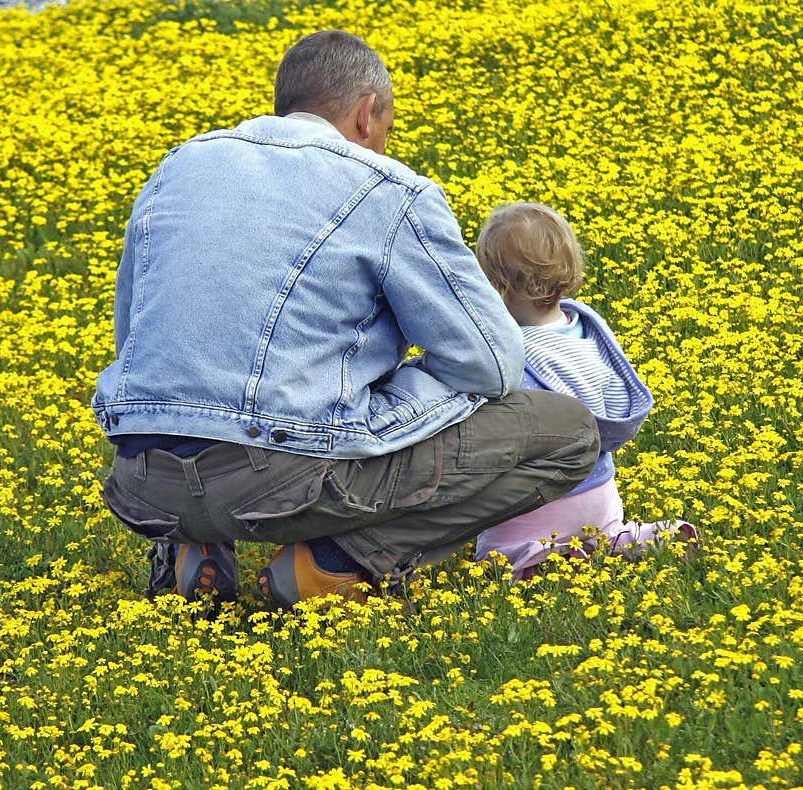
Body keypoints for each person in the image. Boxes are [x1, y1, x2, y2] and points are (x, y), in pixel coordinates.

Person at [91, 30, 601, 615]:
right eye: (386, 129)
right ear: (366, 116)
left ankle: (190, 543)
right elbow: (491, 361)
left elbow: (131, 333)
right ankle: (335, 562)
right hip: (280, 482)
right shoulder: (386, 190)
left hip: (142, 482)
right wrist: (395, 390)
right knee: (567, 432)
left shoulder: (178, 167)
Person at [472, 201, 698, 578]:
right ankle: (644, 538)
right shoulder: (586, 331)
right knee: (607, 534)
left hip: (543, 501)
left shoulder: (514, 354)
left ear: (502, 289)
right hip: (600, 493)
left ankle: (541, 555)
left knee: (492, 551)